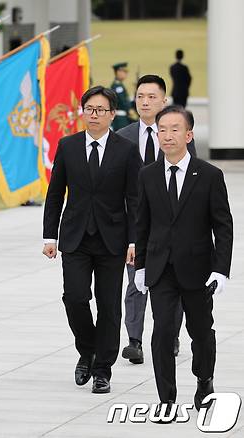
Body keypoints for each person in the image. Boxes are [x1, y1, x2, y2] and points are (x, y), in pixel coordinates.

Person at [135, 106, 232, 422]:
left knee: (201, 332)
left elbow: (223, 226)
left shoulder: (209, 175)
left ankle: (204, 380)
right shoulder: (148, 174)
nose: (167, 135)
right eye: (162, 129)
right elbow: (143, 223)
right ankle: (167, 398)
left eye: (174, 129)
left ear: (189, 135)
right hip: (161, 268)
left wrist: (221, 268)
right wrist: (140, 266)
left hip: (199, 270)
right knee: (162, 330)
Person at [43, 86, 140, 395]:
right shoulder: (68, 146)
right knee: (74, 297)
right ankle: (88, 350)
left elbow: (135, 199)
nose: (94, 115)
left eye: (101, 110)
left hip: (113, 240)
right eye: (89, 109)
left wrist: (135, 241)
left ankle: (102, 369)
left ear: (112, 114)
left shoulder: (125, 149)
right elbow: (55, 193)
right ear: (82, 112)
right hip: (75, 237)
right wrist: (50, 236)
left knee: (109, 306)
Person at [116, 74, 196, 364]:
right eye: (140, 97)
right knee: (135, 284)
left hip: (171, 226)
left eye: (151, 97)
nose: (145, 102)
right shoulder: (122, 138)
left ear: (163, 100)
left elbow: (192, 181)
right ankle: (134, 341)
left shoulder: (178, 134)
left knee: (171, 285)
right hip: (135, 227)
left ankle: (170, 335)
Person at [110, 62, 136, 131]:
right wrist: (129, 109)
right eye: (124, 72)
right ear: (118, 72)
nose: (126, 74)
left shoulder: (119, 85)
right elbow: (123, 101)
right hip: (120, 118)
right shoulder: (118, 86)